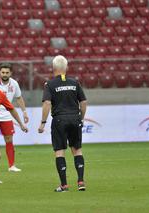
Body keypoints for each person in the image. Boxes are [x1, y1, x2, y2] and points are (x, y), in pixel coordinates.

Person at [38, 55, 87, 192]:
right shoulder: (75, 83)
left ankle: (64, 185)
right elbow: (83, 102)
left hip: (59, 120)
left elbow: (47, 103)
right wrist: (81, 118)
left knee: (60, 151)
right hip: (75, 118)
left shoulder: (50, 84)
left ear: (53, 69)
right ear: (66, 68)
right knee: (77, 150)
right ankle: (81, 181)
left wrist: (43, 123)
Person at [0, 63, 29, 173]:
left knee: (9, 140)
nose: (5, 74)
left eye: (7, 72)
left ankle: (11, 166)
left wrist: (24, 112)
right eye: (3, 72)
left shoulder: (14, 84)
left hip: (7, 116)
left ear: (11, 73)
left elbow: (19, 98)